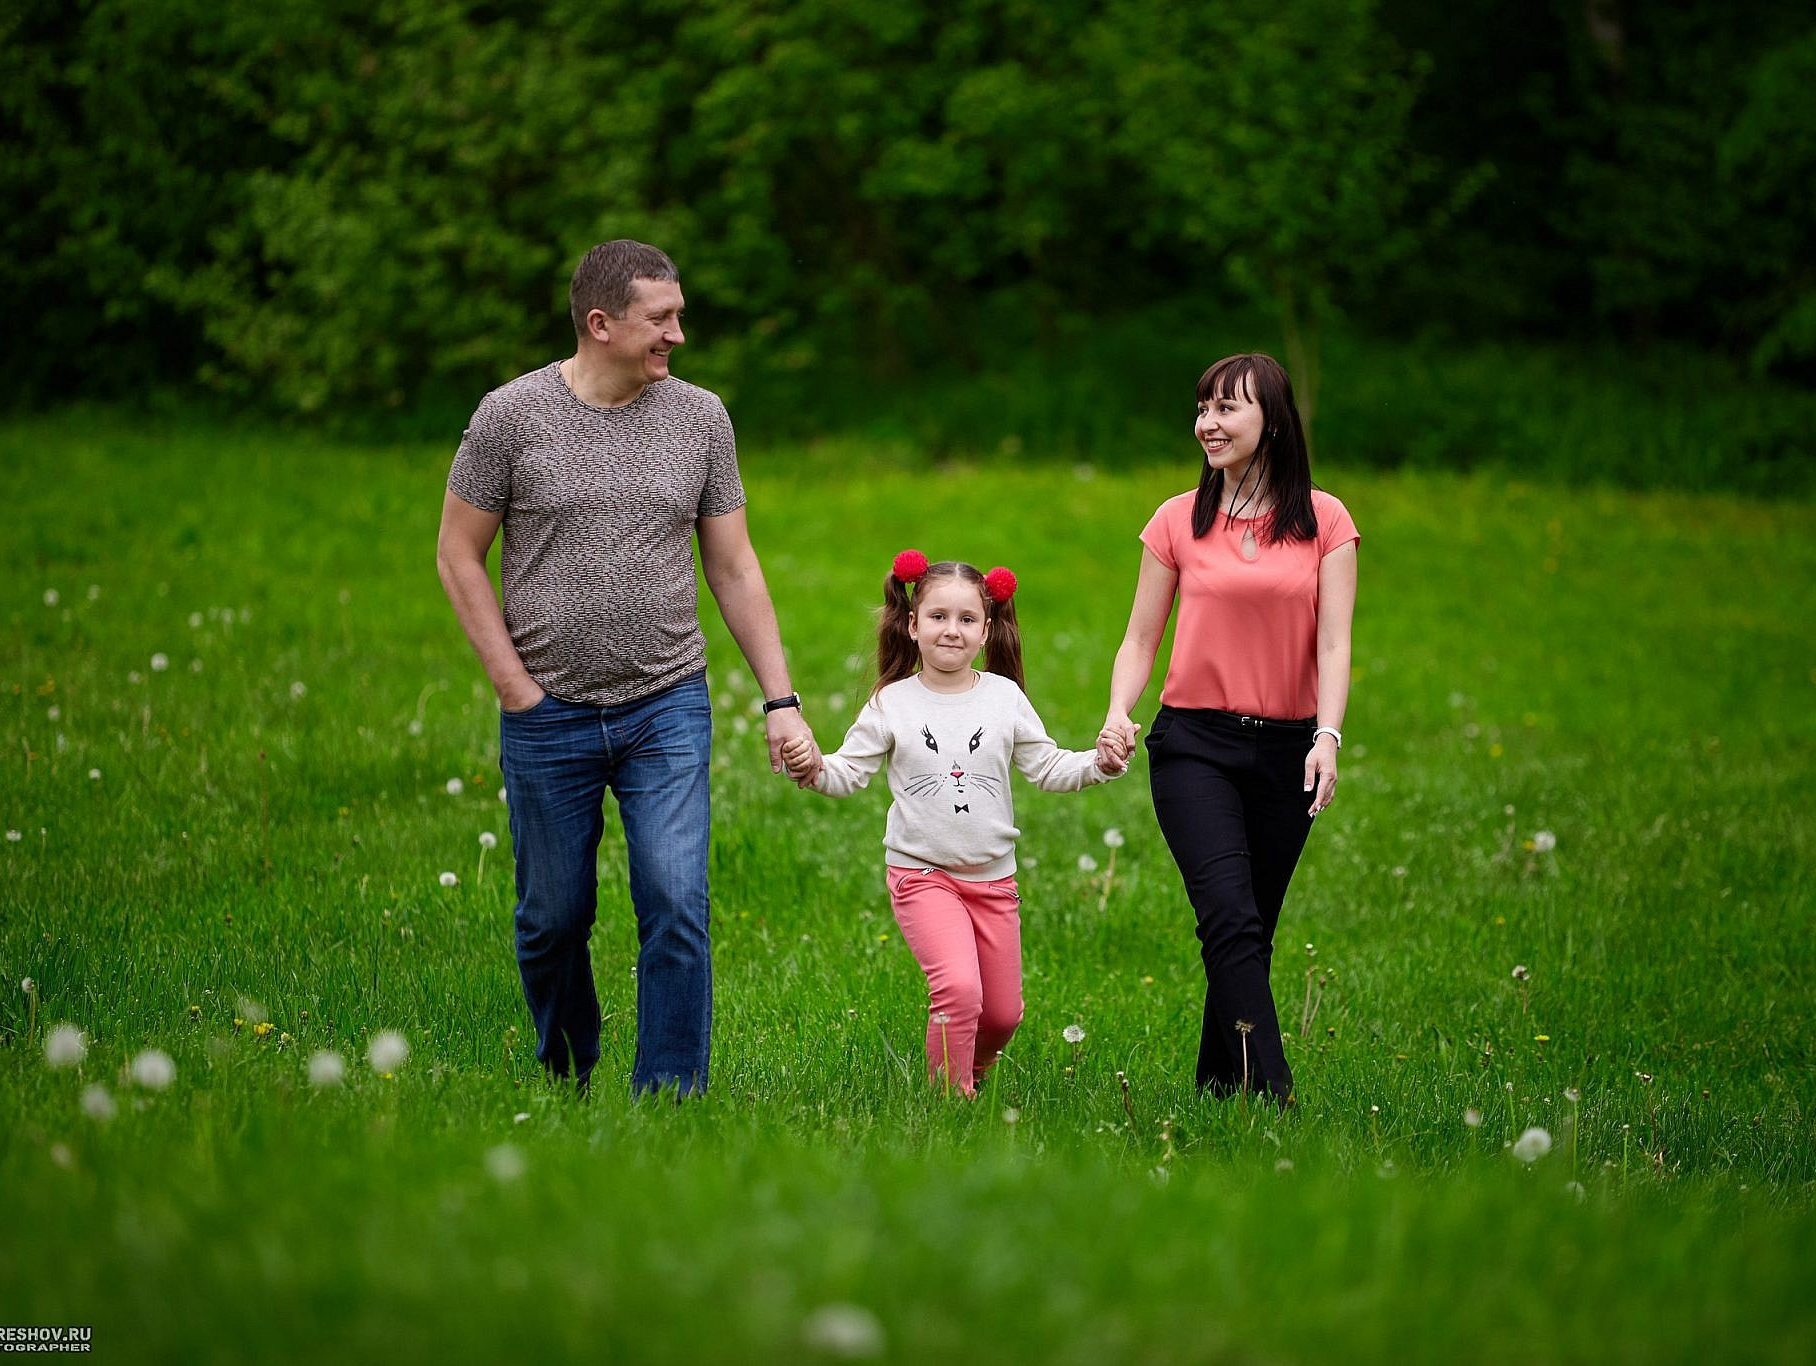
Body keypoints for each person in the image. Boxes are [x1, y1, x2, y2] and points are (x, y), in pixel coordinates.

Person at [436, 239, 822, 1097]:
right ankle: (569, 1067)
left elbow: (734, 566)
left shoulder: (701, 419)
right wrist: (515, 689)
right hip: (548, 713)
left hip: (666, 705)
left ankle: (670, 1096)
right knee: (551, 920)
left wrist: (781, 700)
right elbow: (459, 554)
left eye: (679, 314)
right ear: (601, 324)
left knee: (677, 904)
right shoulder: (510, 417)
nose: (679, 335)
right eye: (663, 318)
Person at [1101, 353, 1359, 1102]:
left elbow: (1334, 642)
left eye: (1226, 408)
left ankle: (1218, 1086)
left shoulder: (1327, 519)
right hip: (1194, 747)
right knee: (1230, 920)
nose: (1207, 423)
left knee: (1249, 929)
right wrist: (1120, 709)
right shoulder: (1177, 518)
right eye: (1203, 408)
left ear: (1271, 420)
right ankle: (1273, 1093)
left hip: (1287, 749)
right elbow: (1140, 638)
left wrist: (1327, 736)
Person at [785, 552, 1128, 1095]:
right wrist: (812, 767)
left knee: (1003, 1015)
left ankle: (972, 1068)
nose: (952, 630)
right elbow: (846, 773)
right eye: (938, 616)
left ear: (987, 629)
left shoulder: (1003, 698)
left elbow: (1047, 766)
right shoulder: (891, 704)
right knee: (959, 991)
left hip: (994, 880)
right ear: (912, 625)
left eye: (967, 619)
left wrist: (1099, 763)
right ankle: (951, 1102)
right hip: (922, 875)